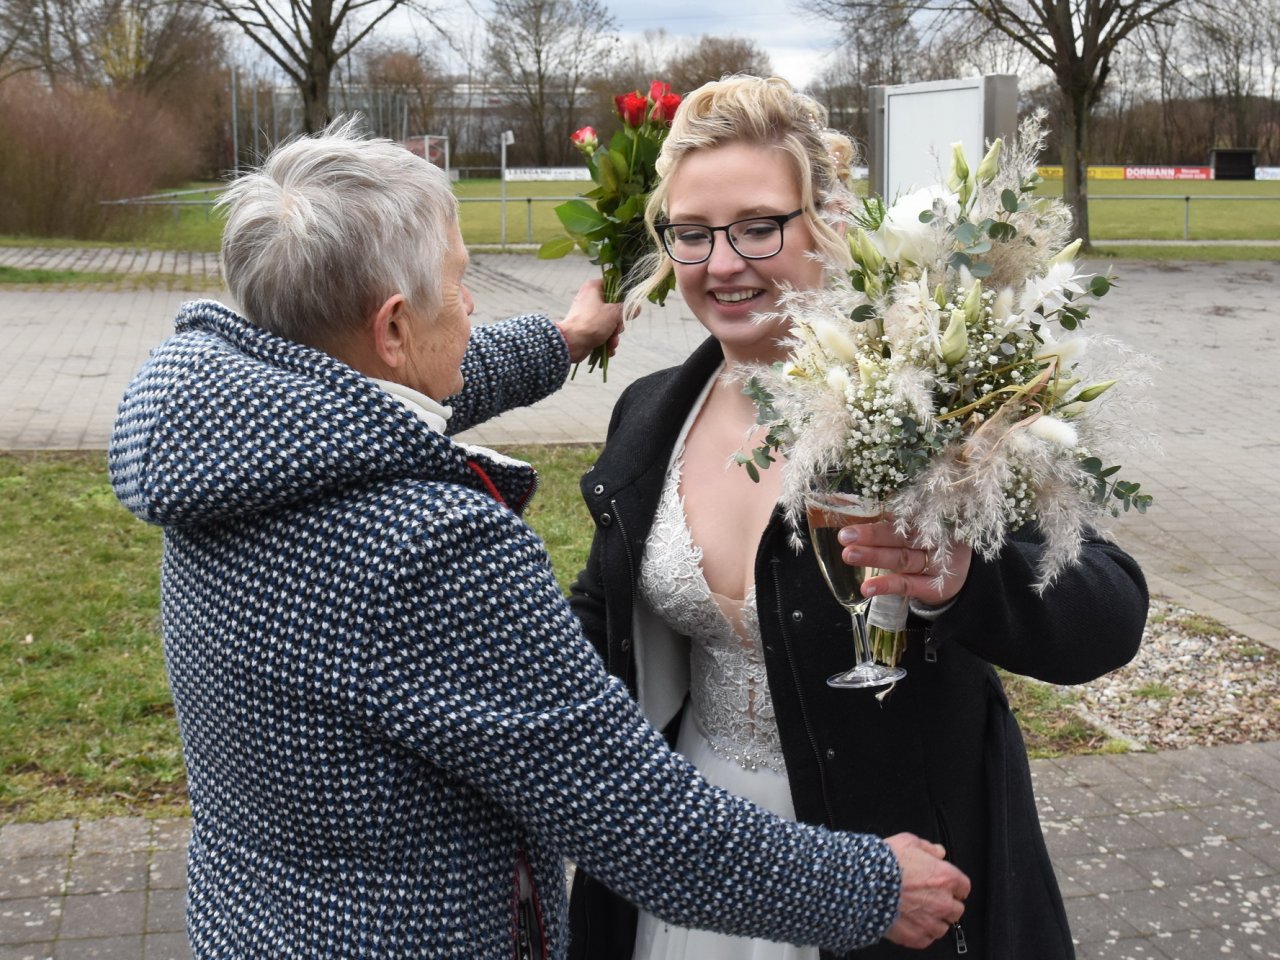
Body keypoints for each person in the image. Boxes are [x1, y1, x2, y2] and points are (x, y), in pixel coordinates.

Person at [107, 119, 971, 959]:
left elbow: (385, 384)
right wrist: (871, 888)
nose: (474, 300)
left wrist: (562, 341)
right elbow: (631, 817)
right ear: (397, 328)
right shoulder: (431, 550)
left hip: (251, 921)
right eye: (459, 279)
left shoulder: (231, 450)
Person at [567, 76, 1148, 960]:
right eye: (690, 234)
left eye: (759, 226)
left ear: (829, 218)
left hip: (899, 864)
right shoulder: (651, 414)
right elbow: (603, 621)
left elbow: (1109, 610)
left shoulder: (937, 400)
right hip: (704, 852)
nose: (722, 263)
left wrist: (965, 581)